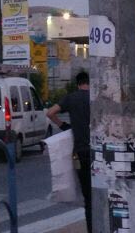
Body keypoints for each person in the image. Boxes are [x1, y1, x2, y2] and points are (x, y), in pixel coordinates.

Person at [47, 71, 91, 231]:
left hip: (81, 153)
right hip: (99, 152)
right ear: (89, 82)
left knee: (88, 198)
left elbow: (50, 113)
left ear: (78, 84)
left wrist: (63, 126)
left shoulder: (71, 98)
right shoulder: (96, 97)